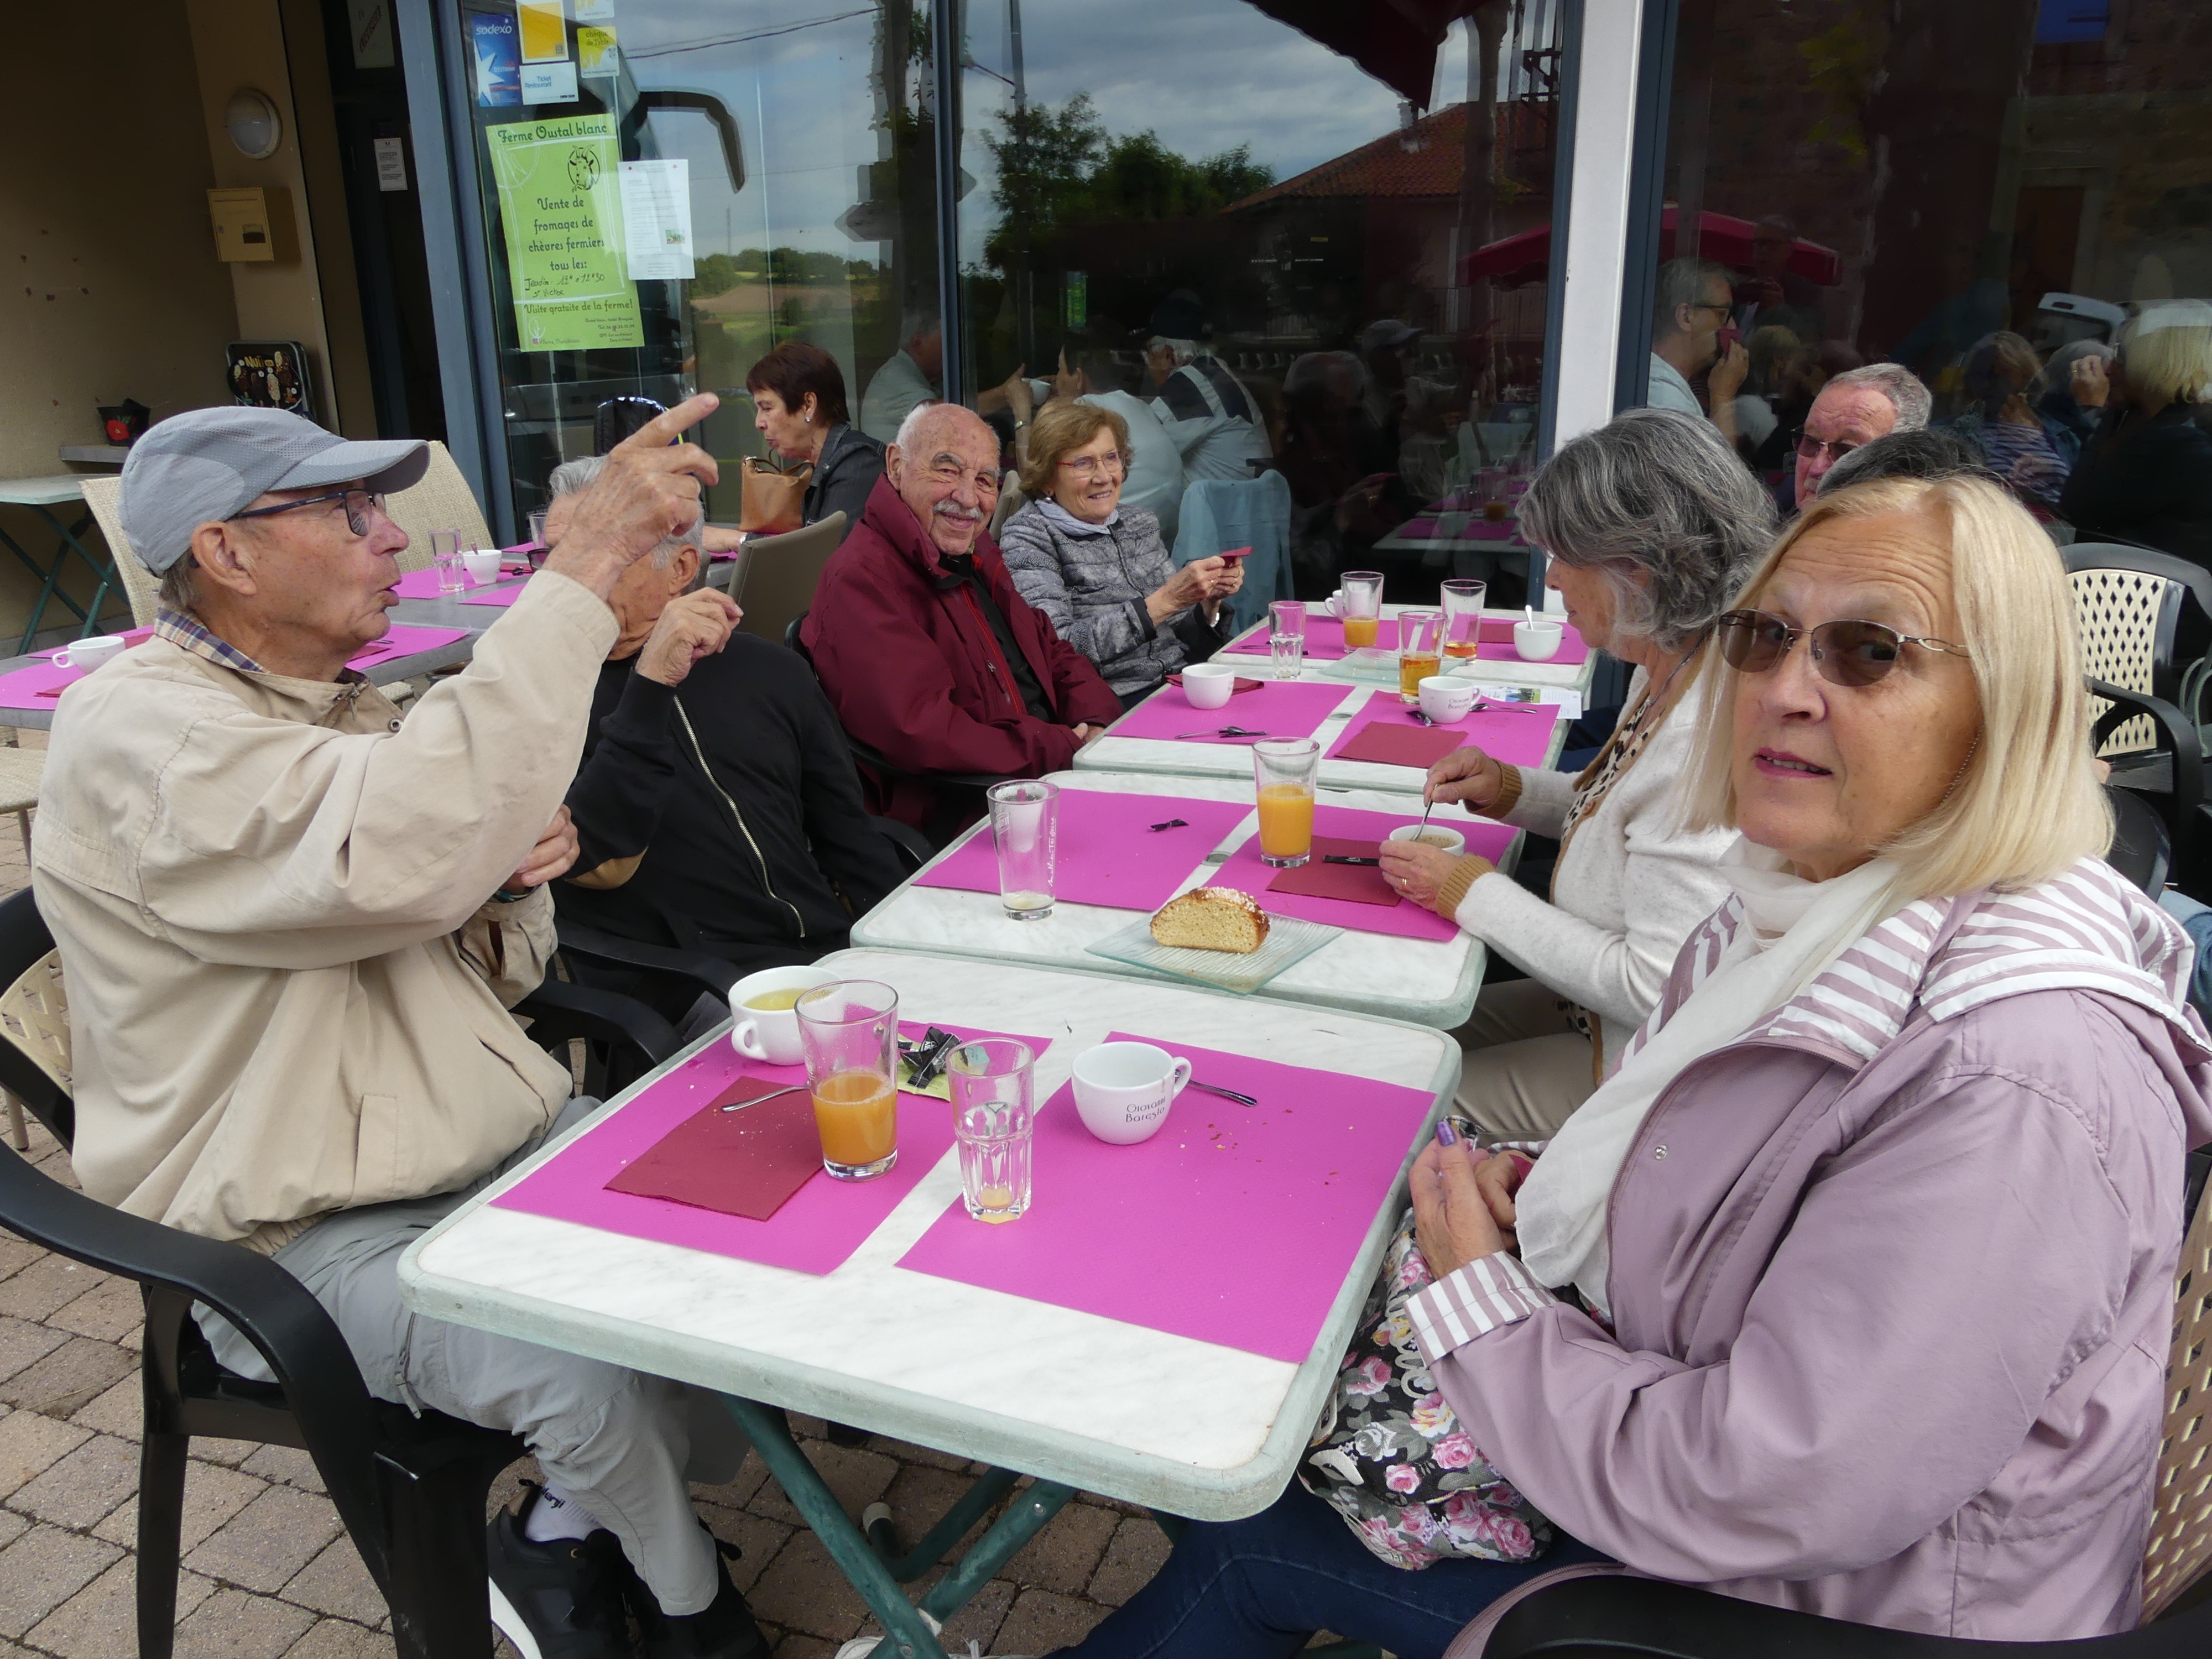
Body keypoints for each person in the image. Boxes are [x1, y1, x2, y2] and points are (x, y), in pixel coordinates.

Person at [1061, 472, 2212, 1658]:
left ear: (2006, 707)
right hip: (1724, 1466)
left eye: (1866, 652)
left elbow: (1763, 1487)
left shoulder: (2013, 1080)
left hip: (1824, 1607)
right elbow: (1742, 1167)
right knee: (1255, 1392)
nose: (1780, 690)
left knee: (1248, 1523)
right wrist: (1568, 1184)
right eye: (1764, 637)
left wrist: (1478, 1306)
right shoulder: (1810, 906)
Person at [33, 400, 771, 1658]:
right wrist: (585, 566)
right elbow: (395, 849)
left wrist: (507, 882)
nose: (391, 539)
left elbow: (449, 927)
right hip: (291, 1225)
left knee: (742, 1247)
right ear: (226, 552)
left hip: (477, 1141)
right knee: (585, 1365)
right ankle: (699, 1613)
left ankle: (554, 1538)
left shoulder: (339, 705)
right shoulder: (143, 731)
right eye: (347, 509)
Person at [1377, 410, 1772, 1140]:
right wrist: (1512, 789)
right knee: (1392, 1039)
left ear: (1635, 570)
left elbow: (1654, 982)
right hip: (1594, 1019)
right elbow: (1627, 822)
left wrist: (1468, 892)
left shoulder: (1704, 735)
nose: (1551, 577)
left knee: (1395, 1103)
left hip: (1648, 1069)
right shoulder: (1675, 662)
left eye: (1563, 557)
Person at [543, 457, 905, 1018]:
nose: (562, 579)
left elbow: (847, 835)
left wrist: (904, 943)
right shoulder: (543, 702)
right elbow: (591, 852)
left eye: (598, 555)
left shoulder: (769, 671)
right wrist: (649, 688)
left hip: (824, 958)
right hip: (687, 984)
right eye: (554, 556)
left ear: (681, 567)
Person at [800, 403, 1122, 837]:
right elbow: (925, 731)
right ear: (896, 466)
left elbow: (1048, 646)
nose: (969, 499)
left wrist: (1096, 719)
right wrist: (1062, 746)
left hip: (1045, 775)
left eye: (985, 480)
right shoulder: (862, 579)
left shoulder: (971, 549)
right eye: (947, 471)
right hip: (966, 810)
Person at [997, 400, 1243, 705]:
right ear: (1048, 478)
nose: (1104, 476)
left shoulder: (1138, 523)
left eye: (1111, 458)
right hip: (1112, 700)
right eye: (1083, 464)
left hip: (1178, 685)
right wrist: (1165, 601)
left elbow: (1180, 634)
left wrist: (1208, 602)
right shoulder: (1029, 536)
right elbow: (1057, 648)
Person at [2060, 299, 2212, 570]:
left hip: (2154, 605)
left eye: (2120, 356)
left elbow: (2081, 504)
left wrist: (2096, 411)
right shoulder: (2165, 424)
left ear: (2153, 361)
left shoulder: (2183, 442)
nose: (2108, 369)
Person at [746, 340, 884, 533]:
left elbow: (828, 556)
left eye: (767, 408)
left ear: (809, 405)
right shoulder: (828, 463)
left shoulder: (857, 463)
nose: (759, 423)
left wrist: (737, 542)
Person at [1139, 290, 1271, 482]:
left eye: (1150, 353)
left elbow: (1140, 449)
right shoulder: (1210, 374)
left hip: (1228, 508)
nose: (1148, 363)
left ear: (1168, 355)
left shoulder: (1191, 386)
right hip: (1241, 502)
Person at [1952, 330, 2069, 512]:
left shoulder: (2060, 437)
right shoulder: (1948, 432)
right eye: (1981, 373)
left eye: (2003, 375)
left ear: (2027, 379)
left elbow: (2069, 498)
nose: (1990, 384)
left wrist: (2034, 442)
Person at [1791, 361, 1931, 504]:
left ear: (1902, 470)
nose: (1816, 469)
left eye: (1846, 452)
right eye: (1811, 442)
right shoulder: (1776, 513)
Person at [1646, 258, 1747, 445]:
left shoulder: (1658, 380)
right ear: (1686, 316)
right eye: (1722, 315)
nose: (1731, 326)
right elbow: (1714, 473)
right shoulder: (1664, 395)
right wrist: (1723, 397)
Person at [858, 308, 945, 442]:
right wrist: (987, 401)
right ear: (917, 343)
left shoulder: (898, 370)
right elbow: (940, 416)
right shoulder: (897, 377)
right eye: (942, 343)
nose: (947, 350)